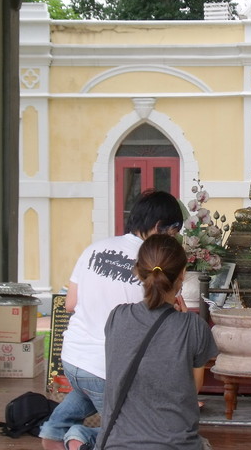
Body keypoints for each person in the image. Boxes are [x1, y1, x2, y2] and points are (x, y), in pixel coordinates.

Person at [40, 190, 184, 450]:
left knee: (87, 390)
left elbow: (70, 304)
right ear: (158, 227)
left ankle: (54, 430)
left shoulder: (94, 249)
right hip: (110, 369)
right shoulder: (153, 264)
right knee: (136, 433)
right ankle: (82, 438)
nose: (174, 240)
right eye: (174, 232)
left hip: (72, 359)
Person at [95, 234, 218, 449]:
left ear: (138, 271)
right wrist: (185, 322)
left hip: (117, 444)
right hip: (176, 445)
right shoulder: (194, 326)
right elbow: (193, 388)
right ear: (182, 274)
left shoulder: (117, 317)